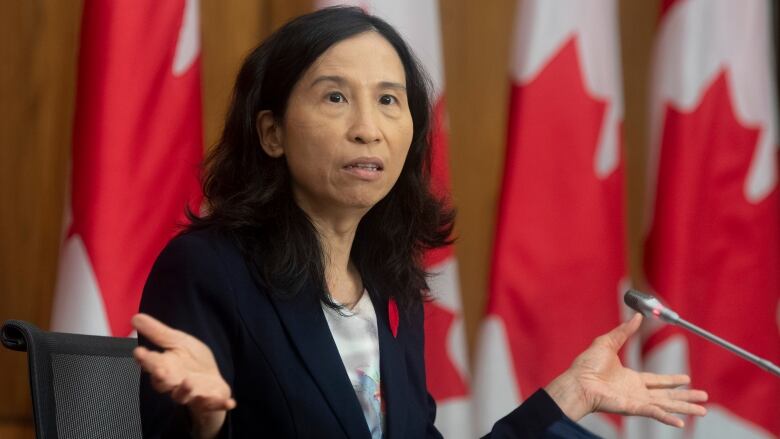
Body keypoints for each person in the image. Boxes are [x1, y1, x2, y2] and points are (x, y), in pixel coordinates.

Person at [132, 6, 708, 438]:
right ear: (271, 133)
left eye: (390, 100)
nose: (369, 128)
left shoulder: (388, 286)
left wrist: (568, 395)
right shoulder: (208, 269)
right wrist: (205, 421)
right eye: (335, 98)